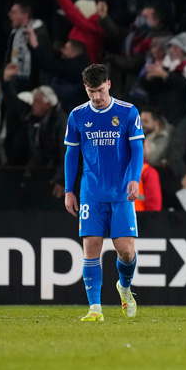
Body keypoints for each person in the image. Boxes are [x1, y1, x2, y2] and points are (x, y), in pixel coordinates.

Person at [63, 64, 145, 322]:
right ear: (85, 88)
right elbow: (71, 154)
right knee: (91, 249)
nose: (96, 97)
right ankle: (95, 308)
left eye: (99, 90)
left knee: (126, 252)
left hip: (121, 192)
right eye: (90, 91)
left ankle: (124, 287)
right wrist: (69, 190)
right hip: (91, 193)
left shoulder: (127, 112)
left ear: (108, 84)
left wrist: (134, 179)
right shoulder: (77, 115)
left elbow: (138, 150)